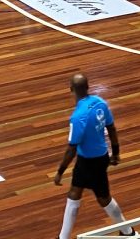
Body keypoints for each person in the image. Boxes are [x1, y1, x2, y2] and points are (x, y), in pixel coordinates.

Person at [54, 73, 135, 239]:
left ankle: (128, 232)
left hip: (88, 162)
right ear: (88, 87)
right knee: (75, 193)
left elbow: (71, 149)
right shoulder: (100, 103)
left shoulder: (78, 117)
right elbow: (111, 128)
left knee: (103, 198)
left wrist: (60, 171)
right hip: (101, 157)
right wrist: (116, 152)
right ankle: (63, 237)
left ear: (71, 90)